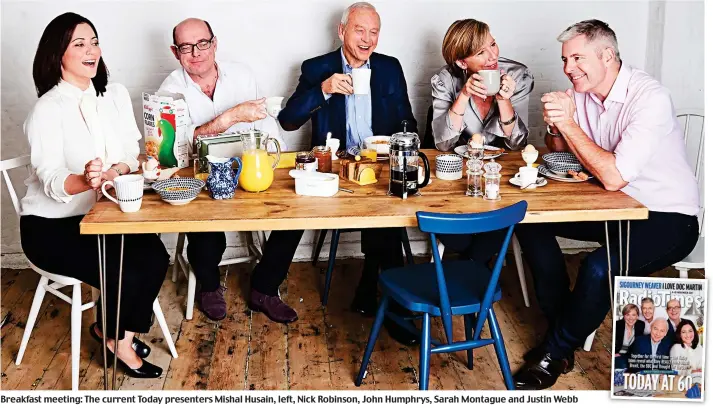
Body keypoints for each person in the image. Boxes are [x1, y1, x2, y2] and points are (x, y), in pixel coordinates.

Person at [512, 19, 699, 390]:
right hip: (613, 207)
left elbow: (614, 176)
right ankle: (562, 324)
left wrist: (569, 122)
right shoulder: (582, 92)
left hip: (667, 215)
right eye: (565, 60)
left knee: (598, 267)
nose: (568, 69)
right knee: (527, 221)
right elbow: (564, 155)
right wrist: (556, 128)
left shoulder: (649, 98)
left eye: (577, 58)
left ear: (608, 55)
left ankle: (555, 350)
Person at [19, 12, 168, 378]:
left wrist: (115, 171)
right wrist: (85, 181)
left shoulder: (112, 95)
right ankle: (119, 343)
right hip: (52, 227)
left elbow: (130, 157)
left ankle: (112, 331)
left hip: (103, 215)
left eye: (95, 41)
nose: (91, 50)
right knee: (126, 270)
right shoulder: (47, 109)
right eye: (79, 44)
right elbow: (51, 179)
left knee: (154, 254)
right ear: (58, 55)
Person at [271, 2, 419, 345]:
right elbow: (288, 120)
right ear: (342, 31)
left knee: (390, 210)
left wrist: (398, 140)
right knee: (382, 219)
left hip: (378, 164)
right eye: (359, 30)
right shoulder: (317, 68)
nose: (367, 38)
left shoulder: (389, 67)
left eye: (374, 31)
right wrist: (323, 89)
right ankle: (382, 297)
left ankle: (382, 297)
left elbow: (406, 119)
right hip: (333, 167)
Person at [158, 18, 286, 322]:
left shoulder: (242, 75)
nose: (196, 52)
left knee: (293, 216)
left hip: (249, 169)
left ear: (214, 44)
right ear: (176, 52)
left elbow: (267, 126)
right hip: (200, 176)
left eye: (202, 43)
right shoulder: (169, 91)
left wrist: (275, 162)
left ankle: (265, 287)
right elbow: (174, 150)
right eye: (187, 47)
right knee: (205, 228)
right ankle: (209, 286)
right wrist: (230, 117)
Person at [430, 18, 534, 261]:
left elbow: (517, 145)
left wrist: (503, 100)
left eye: (493, 45)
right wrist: (464, 94)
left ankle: (468, 274)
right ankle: (479, 274)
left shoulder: (517, 75)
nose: (492, 57)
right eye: (481, 52)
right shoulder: (445, 80)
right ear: (461, 61)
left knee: (502, 217)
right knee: (458, 236)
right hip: (458, 177)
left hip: (500, 178)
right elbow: (443, 144)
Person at [669, 319, 703, 398]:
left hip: (699, 382)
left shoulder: (699, 347)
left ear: (694, 332)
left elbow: (702, 368)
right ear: (679, 334)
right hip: (683, 385)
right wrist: (692, 371)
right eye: (683, 332)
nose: (688, 335)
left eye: (690, 331)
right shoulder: (676, 348)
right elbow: (677, 372)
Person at [613, 303, 644, 369]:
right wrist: (615, 354)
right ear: (624, 316)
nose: (631, 318)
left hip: (632, 356)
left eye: (633, 315)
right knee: (622, 367)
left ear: (637, 316)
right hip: (618, 354)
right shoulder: (617, 325)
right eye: (628, 315)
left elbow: (639, 344)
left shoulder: (640, 325)